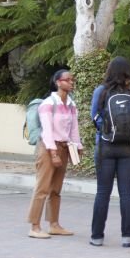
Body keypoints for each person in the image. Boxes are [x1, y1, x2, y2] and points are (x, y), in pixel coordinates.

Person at [89, 57, 130, 248]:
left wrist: (107, 131)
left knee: (103, 192)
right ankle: (128, 237)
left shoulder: (102, 91)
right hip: (129, 148)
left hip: (105, 146)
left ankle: (97, 237)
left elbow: (94, 117)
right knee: (126, 193)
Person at [27, 69, 82, 239]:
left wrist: (77, 147)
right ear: (58, 82)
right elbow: (47, 131)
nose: (71, 82)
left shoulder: (71, 105)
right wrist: (53, 153)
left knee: (56, 189)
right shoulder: (48, 104)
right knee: (42, 188)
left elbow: (74, 129)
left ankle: (54, 224)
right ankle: (34, 226)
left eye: (72, 80)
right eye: (68, 80)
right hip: (49, 148)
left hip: (64, 147)